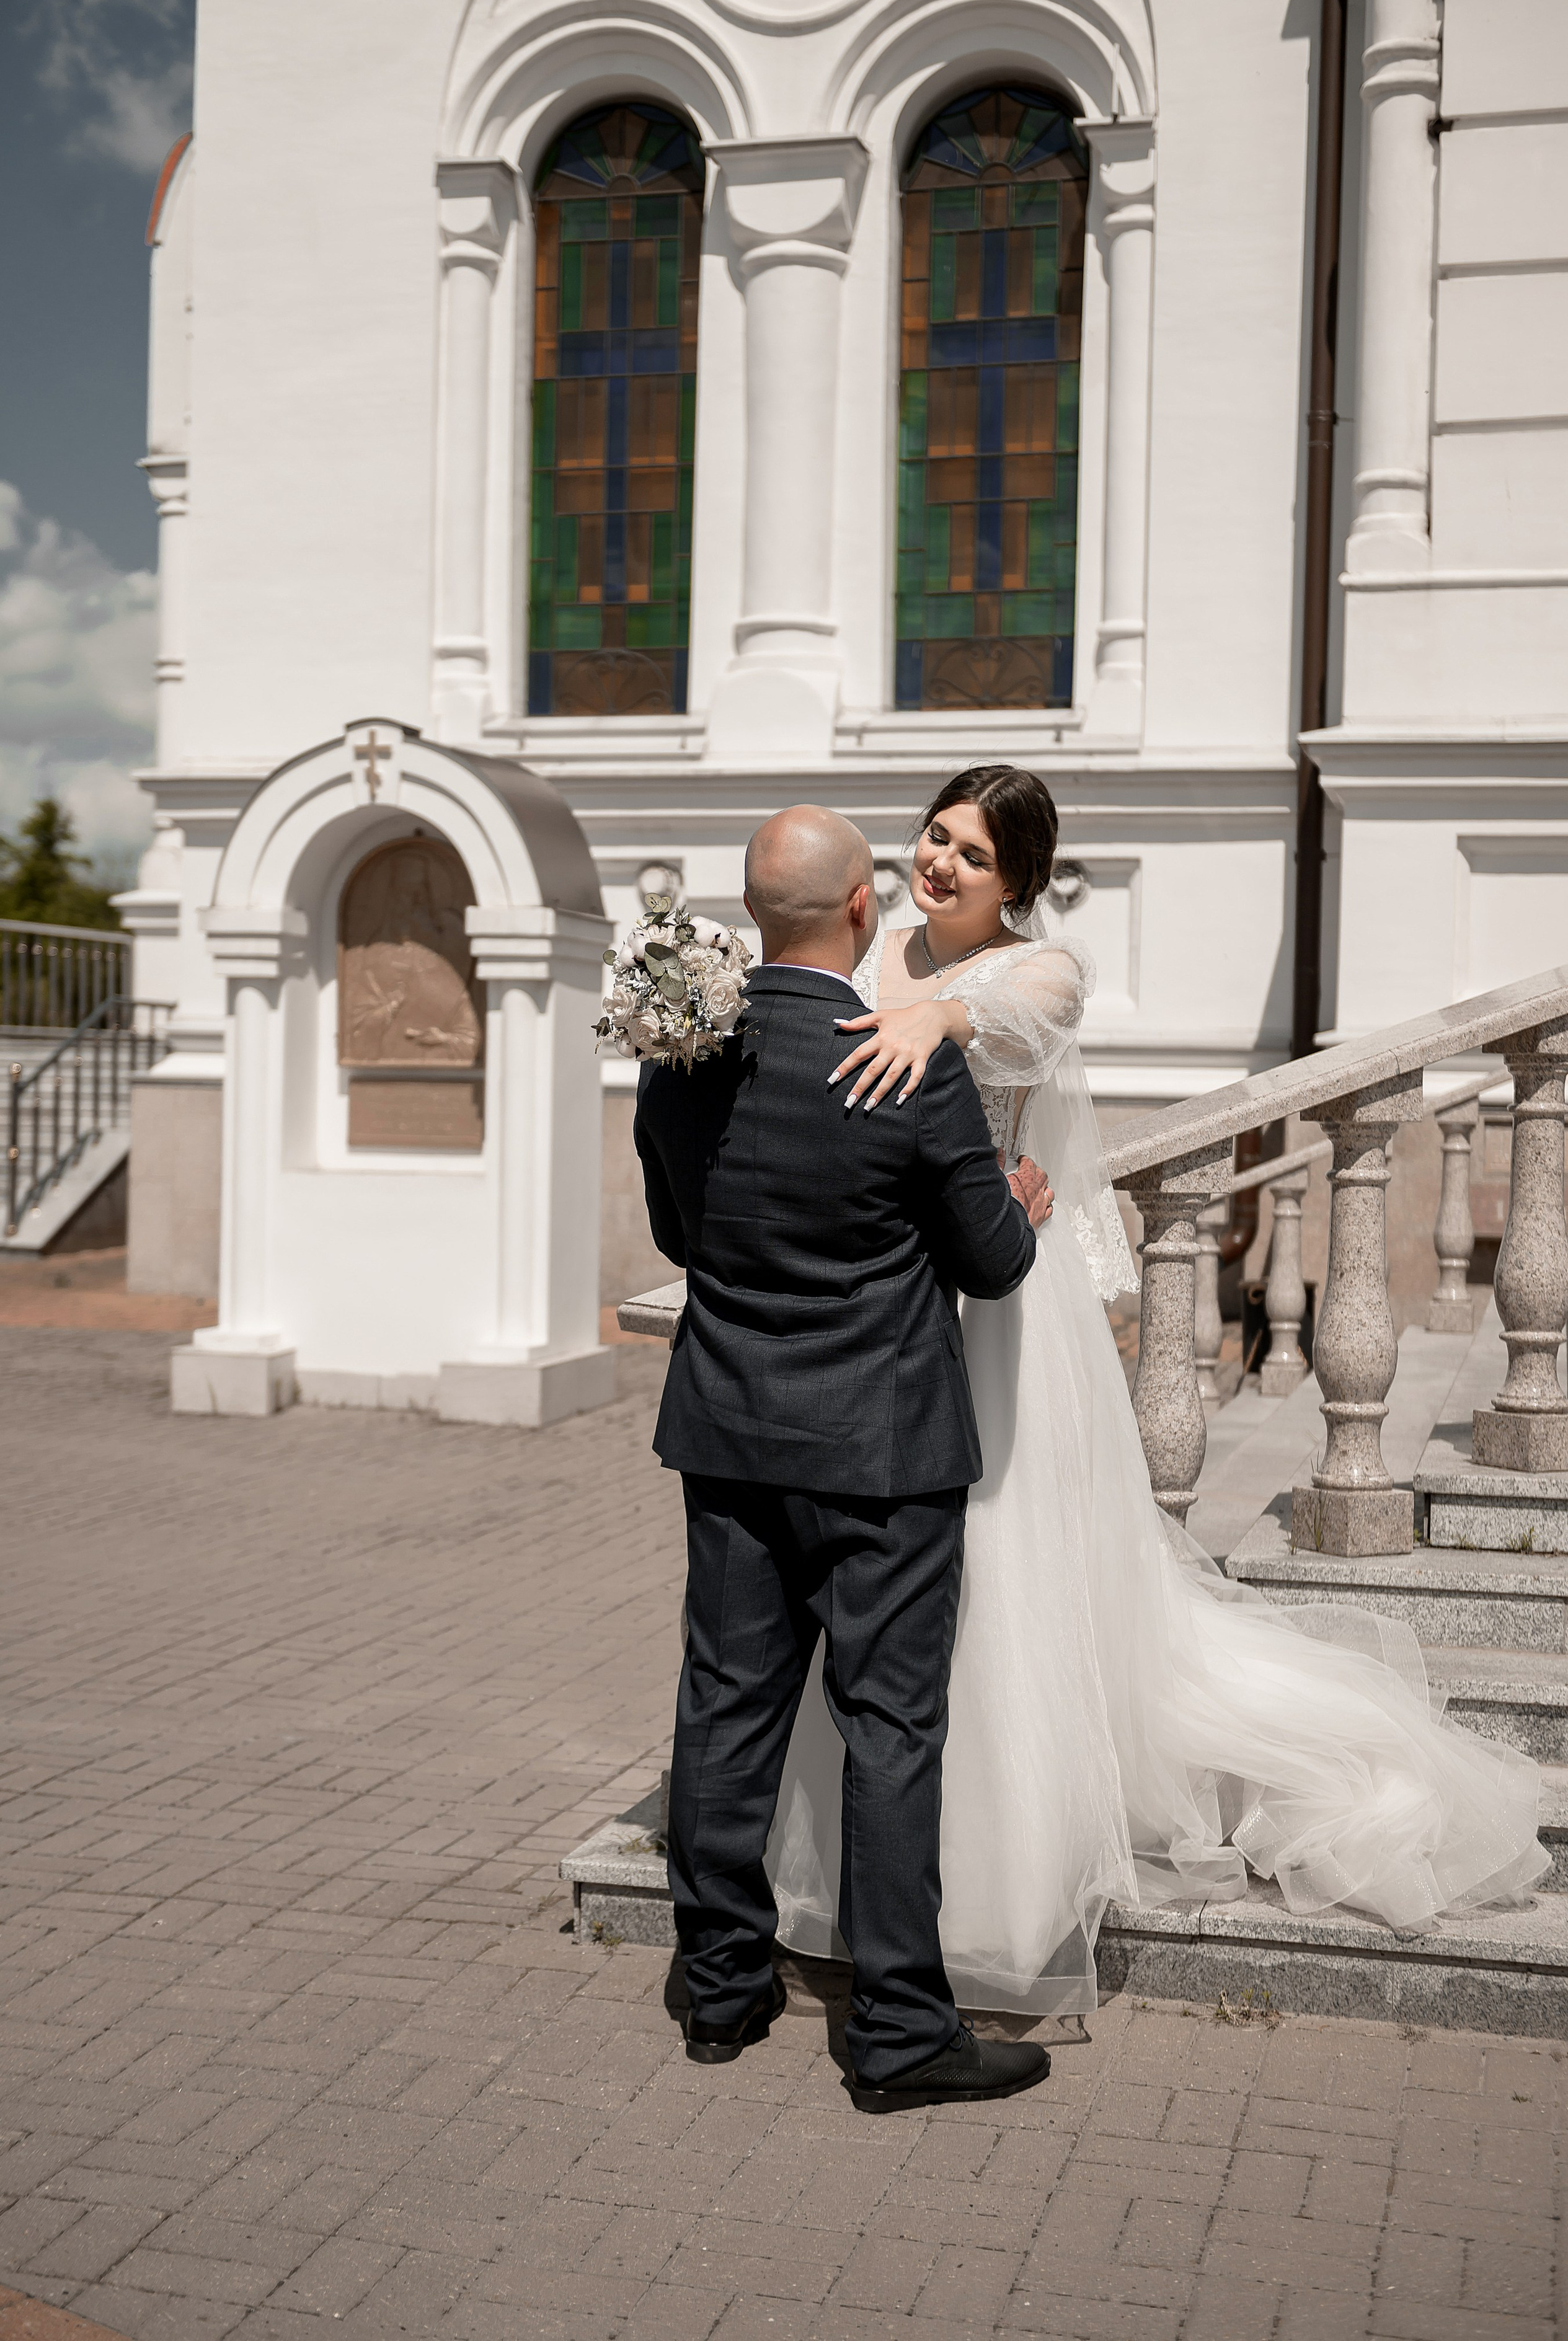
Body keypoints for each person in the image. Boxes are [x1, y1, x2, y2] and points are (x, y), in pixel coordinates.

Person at [767, 764, 1548, 2017]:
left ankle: (994, 1877)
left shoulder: (1041, 971)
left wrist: (941, 1019)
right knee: (885, 1577)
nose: (940, 863)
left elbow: (1017, 1023)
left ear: (1019, 881)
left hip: (995, 1307)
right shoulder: (871, 952)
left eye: (973, 853)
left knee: (994, 1564)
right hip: (882, 1302)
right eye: (933, 836)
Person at [632, 805, 1059, 2110]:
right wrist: (1017, 1205)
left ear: (751, 912)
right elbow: (990, 1263)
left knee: (725, 1703)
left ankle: (719, 1989)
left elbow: (678, 1232)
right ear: (863, 908)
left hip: (731, 1429)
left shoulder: (679, 1052)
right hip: (881, 1447)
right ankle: (897, 2034)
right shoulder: (905, 1064)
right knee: (889, 1728)